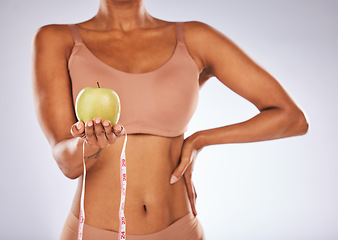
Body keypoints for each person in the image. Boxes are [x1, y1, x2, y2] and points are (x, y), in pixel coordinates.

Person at [32, 0, 309, 239]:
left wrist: (199, 140)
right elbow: (66, 162)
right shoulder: (58, 39)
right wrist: (90, 146)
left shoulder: (194, 37)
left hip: (180, 231)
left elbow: (292, 117)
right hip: (94, 232)